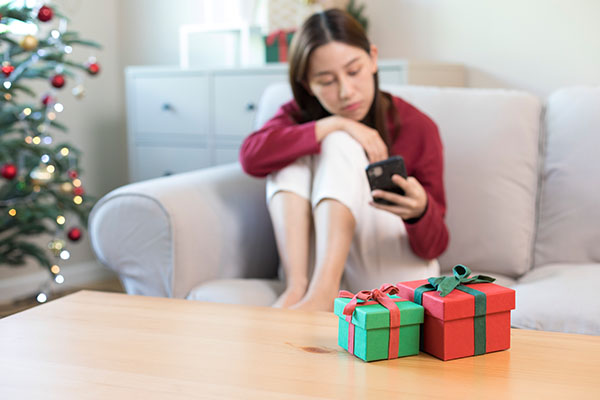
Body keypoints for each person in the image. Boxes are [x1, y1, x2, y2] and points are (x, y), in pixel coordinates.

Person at [239, 9, 449, 311]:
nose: (345, 92)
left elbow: (437, 245)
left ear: (373, 59)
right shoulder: (299, 113)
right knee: (290, 152)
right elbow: (251, 157)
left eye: (354, 71)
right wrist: (335, 123)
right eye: (325, 81)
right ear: (307, 84)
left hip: (390, 271)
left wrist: (420, 211)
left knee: (336, 143)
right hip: (323, 270)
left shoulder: (418, 126)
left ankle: (321, 295)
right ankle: (297, 288)